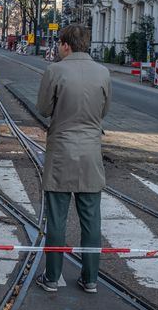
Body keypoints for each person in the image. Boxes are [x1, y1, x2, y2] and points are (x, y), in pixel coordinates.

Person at [34, 24, 111, 294]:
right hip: (90, 153)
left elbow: (43, 109)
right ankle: (90, 279)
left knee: (56, 218)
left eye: (59, 44)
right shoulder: (103, 72)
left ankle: (52, 277)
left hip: (61, 152)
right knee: (91, 218)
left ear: (66, 45)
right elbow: (104, 110)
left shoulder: (55, 70)